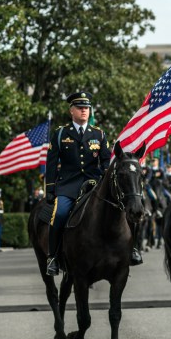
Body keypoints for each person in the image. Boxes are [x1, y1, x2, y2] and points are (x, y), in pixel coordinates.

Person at [44, 91, 112, 276]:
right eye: (80, 108)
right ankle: (53, 257)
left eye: (87, 108)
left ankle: (128, 251)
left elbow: (106, 161)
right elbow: (50, 165)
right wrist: (50, 190)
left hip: (94, 184)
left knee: (119, 209)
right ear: (71, 111)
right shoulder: (60, 134)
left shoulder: (99, 134)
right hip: (69, 185)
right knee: (59, 214)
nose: (84, 111)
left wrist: (106, 176)